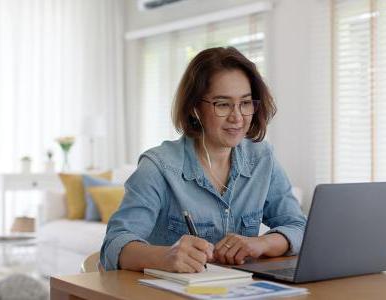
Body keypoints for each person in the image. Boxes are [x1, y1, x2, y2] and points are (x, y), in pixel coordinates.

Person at [100, 46, 306, 273]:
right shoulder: (158, 167)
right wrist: (165, 256)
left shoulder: (261, 158)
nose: (237, 117)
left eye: (245, 103)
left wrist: (262, 243)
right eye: (223, 104)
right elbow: (114, 244)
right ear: (194, 108)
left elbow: (298, 226)